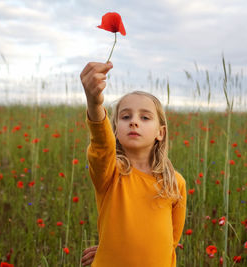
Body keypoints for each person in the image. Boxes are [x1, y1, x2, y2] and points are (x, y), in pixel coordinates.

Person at [80, 61, 187, 267]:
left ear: (160, 133)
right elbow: (101, 145)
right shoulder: (110, 173)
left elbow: (170, 242)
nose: (134, 121)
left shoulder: (174, 182)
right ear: (115, 131)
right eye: (125, 116)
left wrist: (112, 247)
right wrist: (94, 104)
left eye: (145, 117)